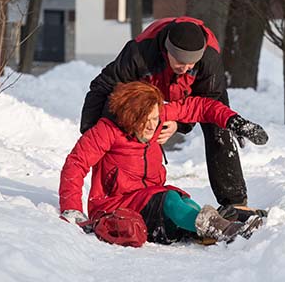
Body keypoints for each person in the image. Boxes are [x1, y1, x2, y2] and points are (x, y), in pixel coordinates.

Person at [80, 16, 259, 217]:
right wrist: (91, 134)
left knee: (218, 126)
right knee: (115, 115)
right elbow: (103, 86)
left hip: (196, 93)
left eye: (191, 65)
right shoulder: (139, 52)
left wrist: (179, 124)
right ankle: (118, 191)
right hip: (148, 85)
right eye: (181, 63)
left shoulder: (209, 58)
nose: (186, 69)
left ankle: (235, 202)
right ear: (167, 52)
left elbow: (207, 102)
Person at [60, 82, 268, 244]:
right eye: (146, 120)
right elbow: (75, 164)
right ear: (131, 117)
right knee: (170, 199)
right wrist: (72, 209)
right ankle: (225, 230)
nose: (153, 126)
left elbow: (201, 107)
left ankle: (215, 224)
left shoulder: (157, 117)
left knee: (181, 200)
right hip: (116, 206)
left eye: (156, 118)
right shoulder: (107, 131)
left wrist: (235, 122)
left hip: (151, 200)